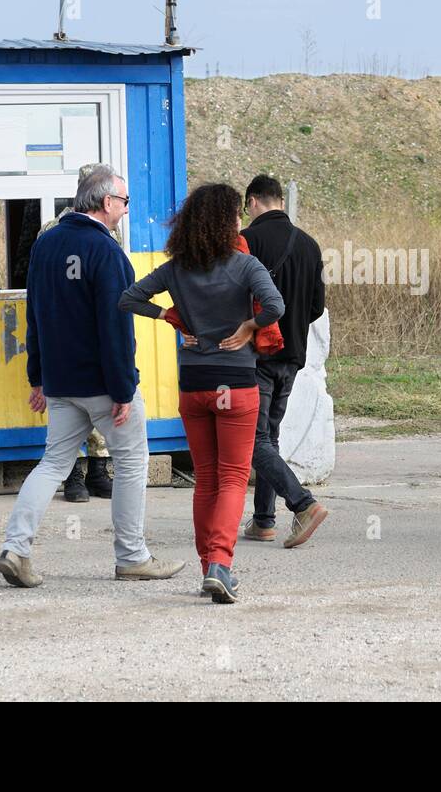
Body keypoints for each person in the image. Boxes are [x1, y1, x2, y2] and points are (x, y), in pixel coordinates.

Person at [0, 166, 185, 587]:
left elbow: (35, 315)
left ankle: (16, 548)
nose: (125, 209)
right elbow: (116, 326)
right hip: (103, 383)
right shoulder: (109, 253)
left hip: (61, 380)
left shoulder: (45, 245)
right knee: (133, 462)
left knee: (53, 463)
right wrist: (123, 387)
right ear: (106, 203)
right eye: (124, 201)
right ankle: (132, 557)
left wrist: (37, 376)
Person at [120, 183, 284, 603]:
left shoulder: (177, 268)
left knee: (206, 480)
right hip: (237, 383)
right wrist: (248, 328)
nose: (238, 221)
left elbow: (128, 298)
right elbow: (275, 306)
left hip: (194, 383)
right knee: (232, 477)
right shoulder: (245, 265)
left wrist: (170, 317)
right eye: (234, 215)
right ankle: (221, 565)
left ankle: (207, 566)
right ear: (227, 221)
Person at [238, 175, 329, 548]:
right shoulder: (309, 244)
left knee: (253, 440)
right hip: (292, 356)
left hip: (256, 355)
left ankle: (302, 504)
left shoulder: (248, 241)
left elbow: (235, 296)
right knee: (268, 437)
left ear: (254, 201)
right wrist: (290, 328)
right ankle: (263, 520)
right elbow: (316, 306)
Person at [30, 163, 117, 504]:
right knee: (69, 417)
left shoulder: (104, 228)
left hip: (91, 333)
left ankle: (98, 469)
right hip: (67, 333)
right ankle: (75, 475)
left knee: (97, 413)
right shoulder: (53, 228)